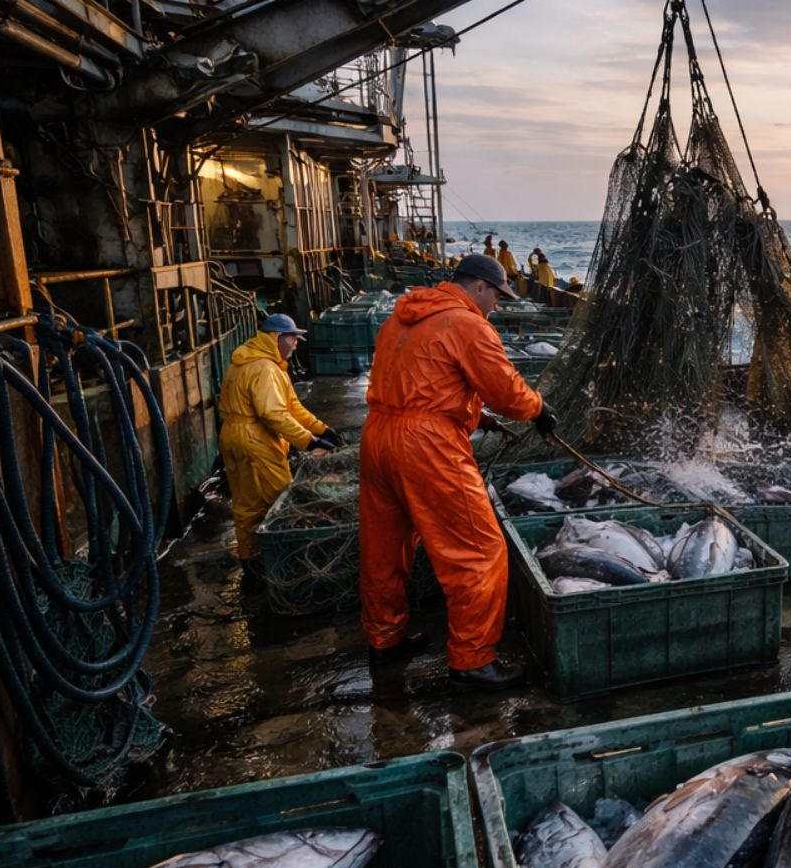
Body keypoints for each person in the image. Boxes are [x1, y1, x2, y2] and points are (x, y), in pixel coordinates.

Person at [357, 253, 557, 690]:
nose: (497, 307)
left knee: (385, 548)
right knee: (478, 550)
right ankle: (472, 662)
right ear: (480, 287)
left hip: (378, 437)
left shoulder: (401, 320)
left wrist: (477, 418)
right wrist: (538, 409)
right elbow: (506, 390)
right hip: (426, 449)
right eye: (497, 297)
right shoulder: (467, 323)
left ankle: (384, 639)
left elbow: (417, 383)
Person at [219, 314, 341, 568]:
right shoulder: (265, 369)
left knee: (246, 505)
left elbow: (292, 407)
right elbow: (273, 413)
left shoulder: (250, 361)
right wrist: (308, 441)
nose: (296, 343)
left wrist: (321, 429)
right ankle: (283, 564)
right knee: (281, 503)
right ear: (276, 338)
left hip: (233, 437)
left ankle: (250, 560)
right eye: (293, 338)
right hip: (256, 442)